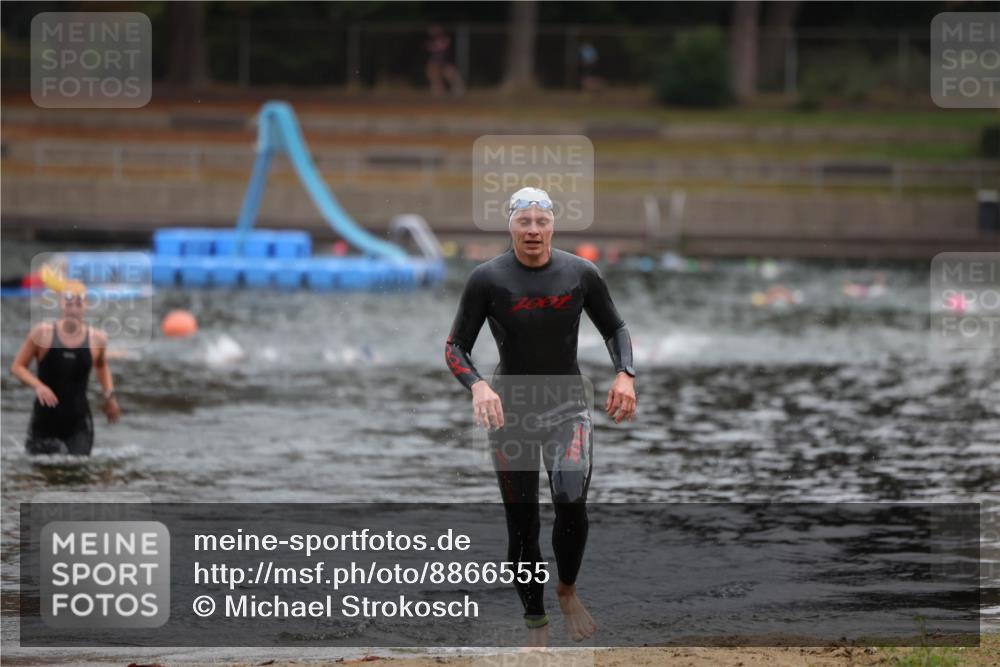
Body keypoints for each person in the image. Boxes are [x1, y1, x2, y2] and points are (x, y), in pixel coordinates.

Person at [445, 186, 636, 645]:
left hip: (567, 404)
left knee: (570, 496)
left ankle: (567, 590)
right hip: (510, 412)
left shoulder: (580, 273)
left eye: (541, 221)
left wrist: (625, 374)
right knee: (522, 522)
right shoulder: (487, 279)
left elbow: (615, 326)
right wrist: (479, 385)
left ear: (553, 224)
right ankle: (536, 623)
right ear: (510, 225)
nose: (533, 230)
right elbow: (456, 347)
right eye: (524, 221)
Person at [11, 286, 121, 455]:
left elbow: (101, 366)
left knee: (78, 471)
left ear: (86, 305)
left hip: (78, 422)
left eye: (78, 304)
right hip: (44, 420)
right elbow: (17, 367)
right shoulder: (42, 333)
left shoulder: (97, 339)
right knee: (40, 471)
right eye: (69, 303)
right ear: (61, 304)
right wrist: (38, 386)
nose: (73, 309)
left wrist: (109, 396)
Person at [425, 24, 465, 97]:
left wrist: (435, 47)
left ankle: (458, 91)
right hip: (435, 62)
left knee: (451, 75)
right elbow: (430, 48)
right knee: (434, 77)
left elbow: (443, 46)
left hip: (445, 62)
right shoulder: (431, 40)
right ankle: (438, 93)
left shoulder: (445, 39)